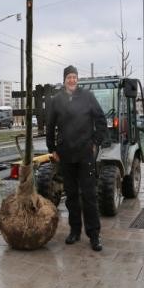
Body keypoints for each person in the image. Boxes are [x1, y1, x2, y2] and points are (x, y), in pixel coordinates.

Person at [46, 65, 107, 251]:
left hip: (85, 153)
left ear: (77, 79)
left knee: (88, 195)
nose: (72, 80)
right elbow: (50, 126)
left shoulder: (87, 97)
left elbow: (101, 120)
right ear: (64, 79)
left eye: (74, 77)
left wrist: (95, 141)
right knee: (71, 195)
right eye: (69, 77)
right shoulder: (56, 100)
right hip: (66, 154)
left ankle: (94, 234)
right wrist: (52, 148)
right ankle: (74, 230)